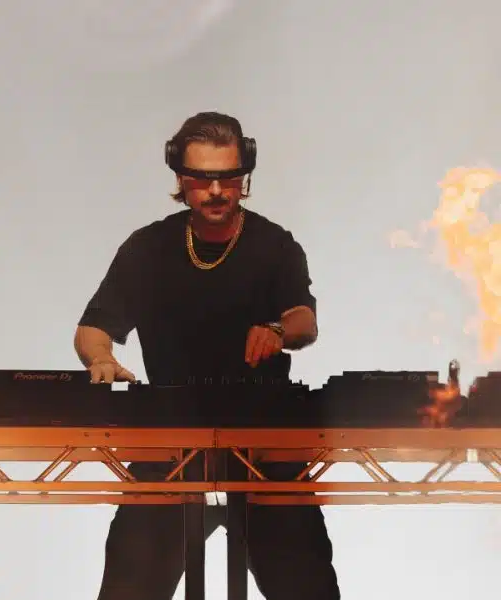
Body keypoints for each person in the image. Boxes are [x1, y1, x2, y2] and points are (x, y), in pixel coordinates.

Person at [74, 112, 340, 599]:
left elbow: (304, 320)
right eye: (201, 179)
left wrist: (277, 331)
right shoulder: (147, 248)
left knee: (307, 586)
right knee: (129, 586)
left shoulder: (275, 245)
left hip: (266, 448)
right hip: (168, 448)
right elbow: (93, 329)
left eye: (228, 178)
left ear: (244, 176)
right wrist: (100, 360)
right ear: (180, 179)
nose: (216, 191)